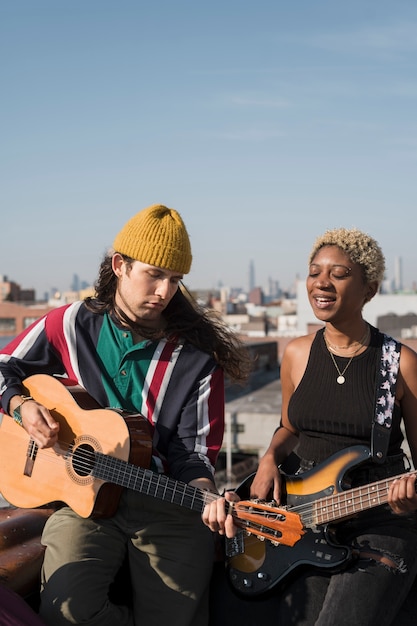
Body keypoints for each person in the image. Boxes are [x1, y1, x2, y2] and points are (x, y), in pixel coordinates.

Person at [0, 204, 251, 626]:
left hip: (167, 504)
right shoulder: (70, 324)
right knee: (66, 612)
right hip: (82, 503)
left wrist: (207, 493)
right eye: (154, 274)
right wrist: (21, 406)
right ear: (120, 265)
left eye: (175, 280)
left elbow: (193, 453)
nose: (165, 291)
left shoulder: (197, 362)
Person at [204, 227, 417, 626]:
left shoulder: (400, 364)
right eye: (315, 271)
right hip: (302, 515)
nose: (322, 281)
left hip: (377, 516)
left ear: (368, 290)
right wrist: (269, 456)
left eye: (338, 273)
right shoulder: (298, 354)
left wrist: (409, 499)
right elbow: (289, 427)